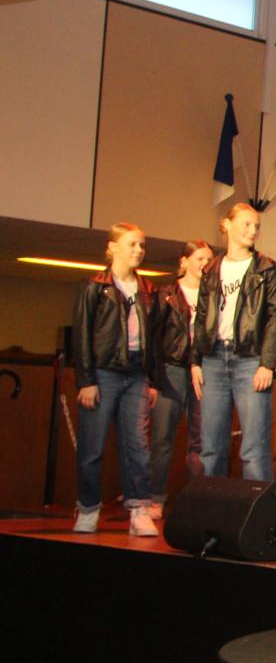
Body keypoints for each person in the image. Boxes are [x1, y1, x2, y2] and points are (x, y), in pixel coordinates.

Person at [71, 223, 160, 535]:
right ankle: (88, 508)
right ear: (112, 247)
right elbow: (82, 334)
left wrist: (153, 380)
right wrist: (86, 380)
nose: (139, 250)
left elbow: (155, 338)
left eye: (142, 245)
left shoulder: (148, 289)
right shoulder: (95, 286)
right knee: (92, 446)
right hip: (103, 372)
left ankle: (139, 509)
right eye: (132, 244)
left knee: (137, 444)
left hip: (136, 374)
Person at [190, 202, 276, 482]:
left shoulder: (266, 268)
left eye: (257, 226)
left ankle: (255, 507)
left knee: (254, 448)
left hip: (250, 359)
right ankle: (213, 505)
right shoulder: (212, 269)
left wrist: (267, 363)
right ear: (227, 225)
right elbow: (202, 316)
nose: (253, 231)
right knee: (211, 446)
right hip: (213, 357)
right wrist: (195, 361)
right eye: (247, 224)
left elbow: (274, 317)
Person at [146, 238, 211, 518]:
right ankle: (155, 498)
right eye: (199, 259)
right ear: (184, 261)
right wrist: (152, 379)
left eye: (208, 260)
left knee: (201, 440)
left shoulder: (213, 295)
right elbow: (153, 338)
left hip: (203, 370)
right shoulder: (166, 294)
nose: (204, 265)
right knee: (162, 437)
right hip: (171, 370)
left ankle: (198, 499)